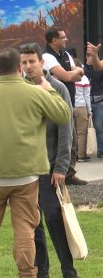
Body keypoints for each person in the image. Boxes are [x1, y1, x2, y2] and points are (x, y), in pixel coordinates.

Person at [0, 48, 71, 278]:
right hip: (28, 175)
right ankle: (28, 274)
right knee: (25, 230)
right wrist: (49, 89)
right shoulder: (35, 92)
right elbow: (63, 115)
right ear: (19, 67)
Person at [19, 44, 80, 278]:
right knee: (33, 227)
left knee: (55, 220)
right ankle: (41, 272)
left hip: (51, 167)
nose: (28, 67)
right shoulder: (21, 90)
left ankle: (69, 271)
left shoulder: (57, 88)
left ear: (41, 62)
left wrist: (62, 167)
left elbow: (67, 131)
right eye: (24, 62)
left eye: (32, 61)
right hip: (26, 169)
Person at [43, 27, 87, 185]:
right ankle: (57, 173)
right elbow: (69, 75)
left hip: (70, 103)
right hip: (55, 104)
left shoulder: (66, 54)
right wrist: (70, 75)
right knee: (60, 140)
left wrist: (73, 73)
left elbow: (78, 74)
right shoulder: (47, 57)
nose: (66, 39)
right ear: (54, 40)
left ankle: (69, 173)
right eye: (63, 37)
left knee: (72, 141)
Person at [85, 42, 103, 159]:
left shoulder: (99, 67)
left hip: (98, 102)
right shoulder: (81, 69)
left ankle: (101, 150)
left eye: (93, 56)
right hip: (83, 103)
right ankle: (80, 153)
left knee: (99, 127)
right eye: (89, 56)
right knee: (81, 130)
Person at [73, 59, 92, 162]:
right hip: (81, 107)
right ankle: (81, 155)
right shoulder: (84, 78)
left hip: (70, 106)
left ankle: (73, 154)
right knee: (81, 132)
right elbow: (87, 96)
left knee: (72, 132)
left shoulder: (68, 76)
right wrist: (89, 111)